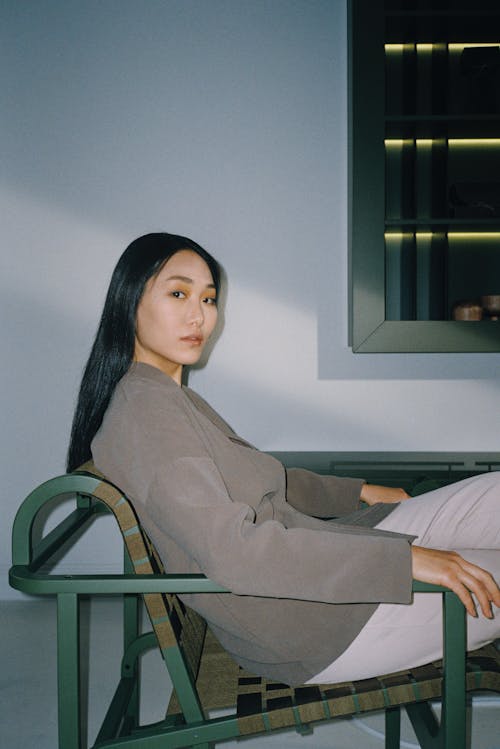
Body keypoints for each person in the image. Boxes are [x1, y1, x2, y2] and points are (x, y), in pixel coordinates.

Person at [67, 232, 500, 686]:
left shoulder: (165, 397)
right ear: (129, 300)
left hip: (321, 557)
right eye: (178, 293)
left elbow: (262, 479)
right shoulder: (146, 415)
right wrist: (406, 561)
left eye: (209, 299)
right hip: (312, 626)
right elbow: (237, 553)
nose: (199, 316)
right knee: (477, 568)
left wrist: (360, 492)